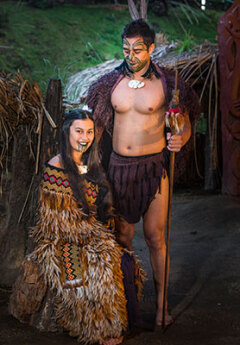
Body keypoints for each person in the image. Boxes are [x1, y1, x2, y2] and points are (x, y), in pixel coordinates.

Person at [86, 19, 200, 327]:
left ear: (151, 47)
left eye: (138, 49)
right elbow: (95, 125)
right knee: (121, 237)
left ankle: (162, 308)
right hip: (118, 169)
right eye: (126, 48)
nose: (131, 55)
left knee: (155, 238)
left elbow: (184, 120)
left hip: (153, 168)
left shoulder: (168, 83)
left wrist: (182, 137)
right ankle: (125, 305)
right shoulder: (109, 84)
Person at [9, 109, 145, 345]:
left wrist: (100, 229)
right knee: (95, 265)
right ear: (67, 133)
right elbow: (58, 222)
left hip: (88, 234)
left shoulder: (90, 165)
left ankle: (122, 321)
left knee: (124, 260)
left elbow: (99, 210)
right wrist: (95, 236)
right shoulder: (56, 167)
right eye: (79, 131)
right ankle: (101, 328)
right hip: (62, 239)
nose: (85, 137)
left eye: (90, 132)